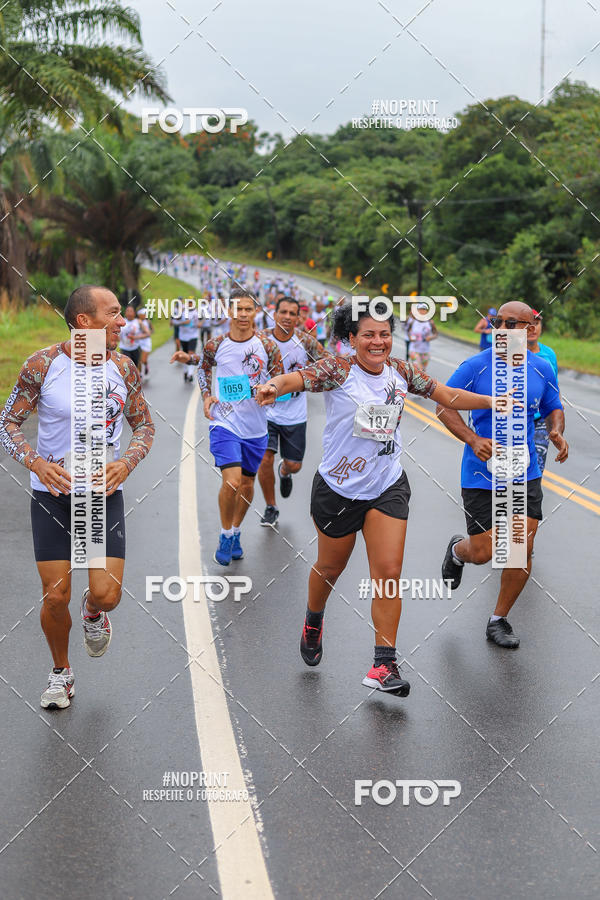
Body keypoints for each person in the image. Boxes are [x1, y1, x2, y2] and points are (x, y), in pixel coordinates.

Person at [255, 301, 517, 696]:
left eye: (384, 334)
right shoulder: (338, 370)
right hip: (339, 490)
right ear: (351, 339)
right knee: (330, 568)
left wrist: (491, 401)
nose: (378, 342)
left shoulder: (402, 370)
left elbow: (445, 394)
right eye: (368, 335)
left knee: (389, 572)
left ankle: (383, 664)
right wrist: (272, 387)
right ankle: (313, 617)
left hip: (387, 485)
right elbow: (297, 379)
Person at [0, 285, 155, 709]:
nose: (123, 321)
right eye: (114, 314)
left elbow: (145, 426)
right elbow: (7, 422)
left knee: (107, 594)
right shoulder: (43, 364)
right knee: (55, 595)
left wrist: (127, 462)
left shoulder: (123, 368)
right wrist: (36, 463)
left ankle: (93, 613)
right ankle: (60, 674)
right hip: (53, 494)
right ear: (84, 322)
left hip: (102, 497)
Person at [438, 302, 568, 649]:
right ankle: (457, 551)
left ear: (528, 329)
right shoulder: (476, 366)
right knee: (484, 552)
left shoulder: (541, 367)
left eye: (511, 323)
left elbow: (554, 407)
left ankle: (498, 619)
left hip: (524, 470)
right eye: (498, 322)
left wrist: (556, 432)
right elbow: (444, 405)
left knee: (519, 546)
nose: (501, 328)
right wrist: (473, 438)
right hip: (481, 474)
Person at [170, 288, 283, 566]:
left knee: (246, 484)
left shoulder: (268, 346)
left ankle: (235, 531)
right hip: (224, 422)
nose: (243, 314)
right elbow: (205, 367)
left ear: (256, 311)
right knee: (231, 481)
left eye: (248, 309)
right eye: (238, 309)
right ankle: (224, 534)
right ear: (228, 311)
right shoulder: (215, 344)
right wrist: (207, 394)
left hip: (256, 428)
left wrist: (269, 389)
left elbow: (282, 379)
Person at [257, 296, 329, 526]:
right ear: (274, 314)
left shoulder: (305, 342)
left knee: (295, 465)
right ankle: (271, 507)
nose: (287, 317)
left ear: (298, 318)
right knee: (265, 458)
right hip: (265, 412)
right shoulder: (260, 339)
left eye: (292, 314)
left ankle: (285, 471)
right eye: (283, 312)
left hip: (295, 413)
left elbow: (329, 362)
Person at [528, 309, 559, 473]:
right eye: (529, 324)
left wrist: (556, 422)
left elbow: (554, 389)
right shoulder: (509, 354)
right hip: (514, 419)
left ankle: (531, 497)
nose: (533, 328)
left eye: (537, 323)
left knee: (537, 465)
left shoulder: (549, 354)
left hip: (541, 419)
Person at [407, 304, 437, 370]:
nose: (422, 311)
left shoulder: (430, 322)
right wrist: (410, 338)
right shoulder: (413, 322)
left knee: (423, 371)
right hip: (414, 349)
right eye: (420, 310)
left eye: (424, 310)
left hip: (425, 350)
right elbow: (408, 331)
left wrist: (430, 337)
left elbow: (436, 334)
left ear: (427, 312)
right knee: (418, 369)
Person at [178, 300, 200, 382]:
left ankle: (190, 374)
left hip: (193, 336)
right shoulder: (182, 312)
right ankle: (185, 371)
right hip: (183, 337)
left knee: (191, 354)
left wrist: (200, 323)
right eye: (189, 303)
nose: (190, 304)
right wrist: (183, 322)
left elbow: (201, 322)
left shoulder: (196, 313)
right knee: (185, 355)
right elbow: (174, 320)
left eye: (191, 303)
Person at [119, 304, 143, 370]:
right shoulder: (121, 321)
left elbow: (147, 333)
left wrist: (136, 337)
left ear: (134, 313)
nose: (129, 313)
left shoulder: (138, 322)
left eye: (131, 311)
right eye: (127, 311)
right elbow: (117, 334)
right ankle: (127, 380)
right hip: (124, 348)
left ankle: (139, 378)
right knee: (126, 367)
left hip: (135, 348)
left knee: (136, 366)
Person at [137, 307, 153, 380]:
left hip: (146, 342)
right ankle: (140, 374)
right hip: (139, 342)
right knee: (139, 359)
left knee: (143, 360)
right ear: (140, 315)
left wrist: (147, 332)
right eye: (144, 314)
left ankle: (146, 366)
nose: (145, 315)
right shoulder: (137, 322)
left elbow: (152, 330)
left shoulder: (148, 321)